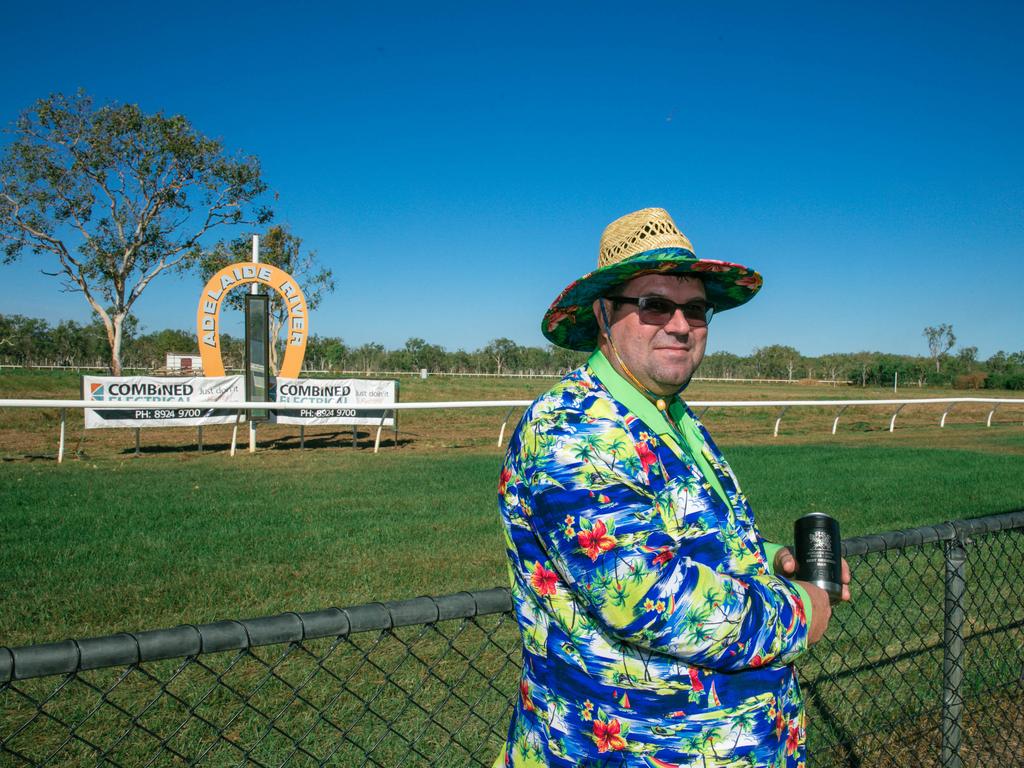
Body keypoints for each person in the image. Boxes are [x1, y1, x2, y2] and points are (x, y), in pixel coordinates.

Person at [497, 207, 850, 767]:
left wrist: (765, 563)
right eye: (654, 305)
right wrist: (801, 612)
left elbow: (685, 539)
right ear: (603, 314)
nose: (680, 325)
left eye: (696, 309)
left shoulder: (671, 416)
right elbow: (645, 596)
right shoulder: (573, 428)